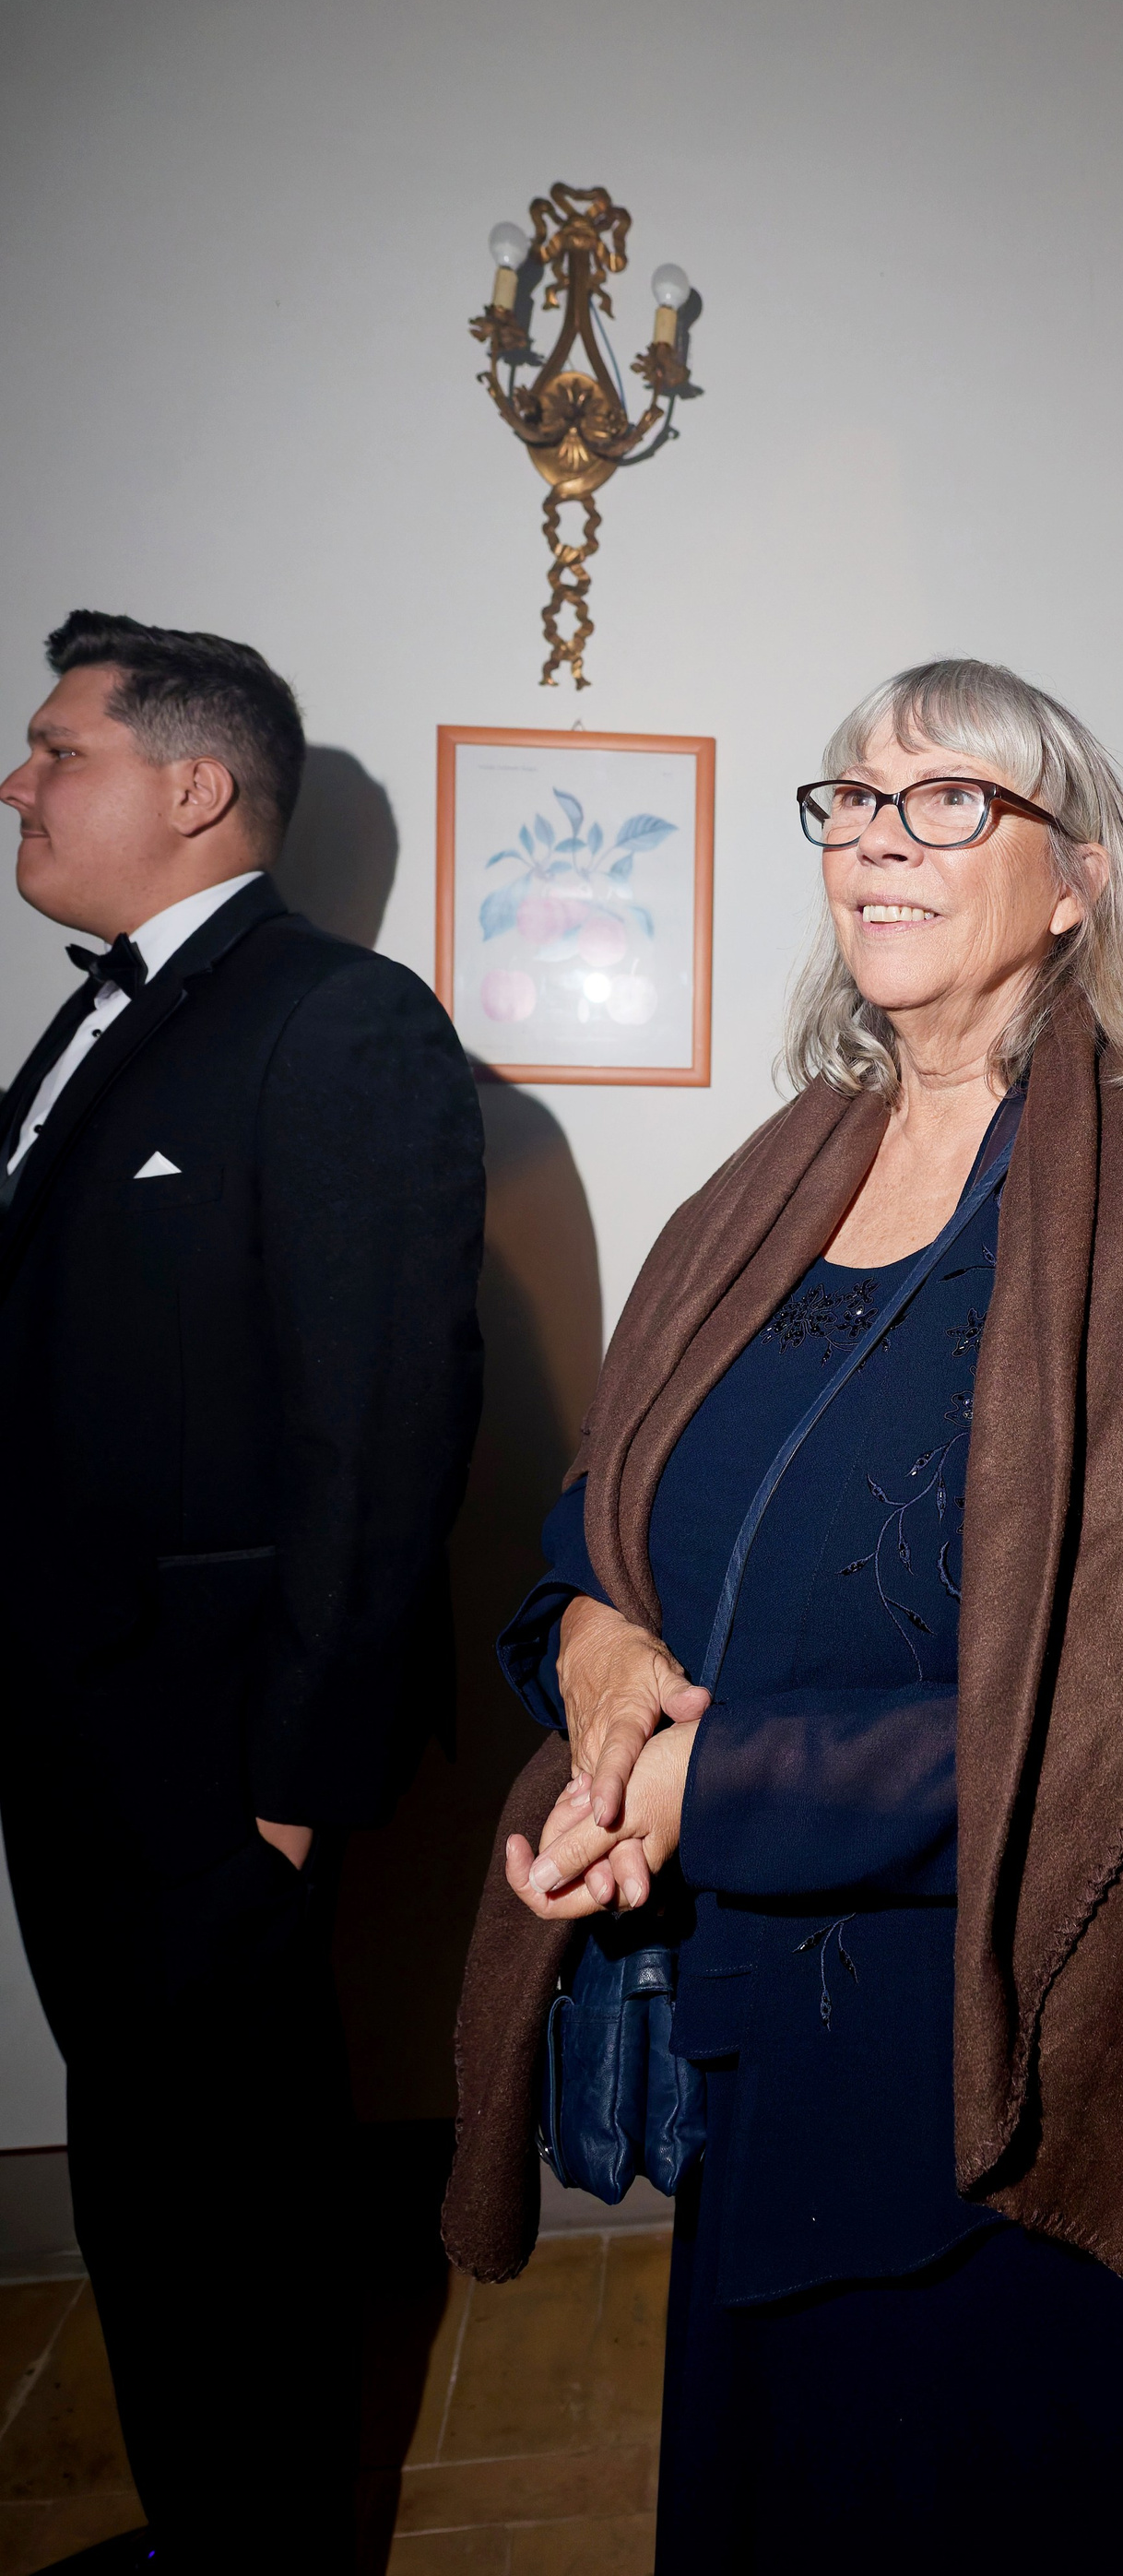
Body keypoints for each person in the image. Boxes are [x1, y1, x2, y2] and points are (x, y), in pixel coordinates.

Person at [445, 658, 1123, 2574]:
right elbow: (592, 1534)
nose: (880, 837)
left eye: (950, 801)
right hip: (767, 2043)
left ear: (1079, 880)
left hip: (1027, 2086)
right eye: (853, 800)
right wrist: (597, 1654)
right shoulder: (778, 1175)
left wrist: (716, 1789)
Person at [0, 612, 485, 2573]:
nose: (21, 782)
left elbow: (385, 1423)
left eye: (60, 751)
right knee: (142, 2185)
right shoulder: (107, 1017)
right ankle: (201, 2529)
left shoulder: (341, 1021)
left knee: (238, 2207)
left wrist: (295, 1783)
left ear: (194, 788)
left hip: (215, 1773)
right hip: (72, 1735)